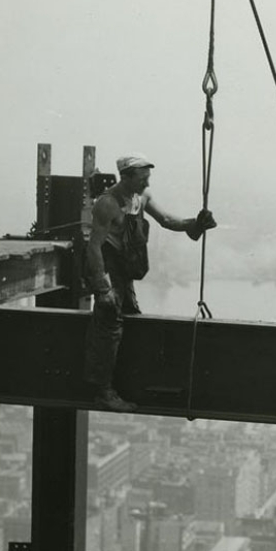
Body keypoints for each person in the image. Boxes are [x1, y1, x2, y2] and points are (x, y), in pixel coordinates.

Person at [83, 153, 217, 412]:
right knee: (108, 326)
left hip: (124, 271)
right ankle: (103, 391)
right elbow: (94, 247)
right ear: (126, 177)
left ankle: (120, 384)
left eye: (148, 178)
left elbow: (167, 221)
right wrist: (102, 288)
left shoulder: (140, 198)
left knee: (128, 319)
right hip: (110, 271)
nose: (147, 183)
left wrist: (195, 223)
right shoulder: (107, 204)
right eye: (142, 179)